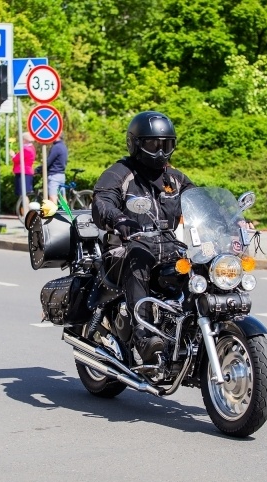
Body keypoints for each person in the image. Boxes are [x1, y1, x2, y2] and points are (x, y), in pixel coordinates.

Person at [91, 111, 195, 365]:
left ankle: (193, 328)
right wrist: (119, 220)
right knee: (138, 257)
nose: (160, 151)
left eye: (166, 145)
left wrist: (231, 219)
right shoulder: (120, 172)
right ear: (135, 144)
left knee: (199, 267)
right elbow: (103, 201)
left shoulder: (175, 178)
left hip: (168, 248)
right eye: (153, 144)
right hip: (125, 248)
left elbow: (198, 199)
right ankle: (143, 336)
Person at [36, 133, 68, 203]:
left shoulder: (56, 147)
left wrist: (38, 170)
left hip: (54, 175)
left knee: (52, 198)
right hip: (61, 175)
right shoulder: (63, 146)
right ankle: (66, 213)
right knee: (63, 198)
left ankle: (54, 214)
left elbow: (48, 162)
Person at [10, 132, 36, 200]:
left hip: (23, 172)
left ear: (25, 140)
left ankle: (25, 209)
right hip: (26, 171)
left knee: (23, 194)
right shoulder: (31, 147)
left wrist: (13, 155)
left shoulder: (26, 149)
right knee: (25, 193)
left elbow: (17, 159)